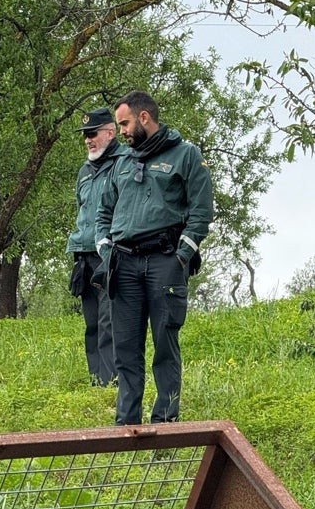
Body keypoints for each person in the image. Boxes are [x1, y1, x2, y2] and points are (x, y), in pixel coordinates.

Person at [95, 91, 214, 425]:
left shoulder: (186, 155)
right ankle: (126, 426)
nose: (121, 131)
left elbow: (202, 210)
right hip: (124, 263)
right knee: (126, 351)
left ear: (144, 117)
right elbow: (103, 211)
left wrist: (182, 255)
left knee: (165, 344)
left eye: (125, 124)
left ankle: (165, 424)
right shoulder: (120, 162)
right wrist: (105, 248)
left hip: (165, 262)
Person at [65, 107, 126, 387]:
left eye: (93, 134)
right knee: (91, 322)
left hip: (111, 254)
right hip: (84, 254)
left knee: (108, 321)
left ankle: (111, 379)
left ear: (110, 132)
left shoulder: (124, 162)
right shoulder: (84, 171)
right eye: (85, 136)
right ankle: (96, 379)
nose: (88, 140)